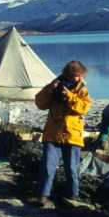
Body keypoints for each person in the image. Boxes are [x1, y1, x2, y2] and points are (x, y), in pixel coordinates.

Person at [32, 60, 92, 208]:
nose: (80, 78)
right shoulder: (54, 85)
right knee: (48, 167)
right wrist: (50, 90)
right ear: (69, 74)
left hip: (72, 135)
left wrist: (70, 96)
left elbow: (84, 108)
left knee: (72, 169)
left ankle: (72, 197)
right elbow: (39, 103)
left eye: (81, 76)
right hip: (53, 134)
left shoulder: (82, 89)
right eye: (77, 75)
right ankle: (43, 197)